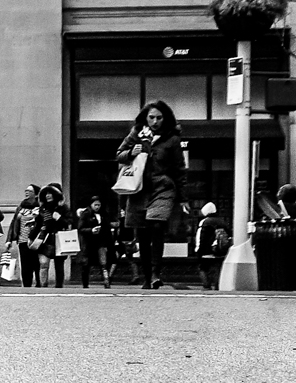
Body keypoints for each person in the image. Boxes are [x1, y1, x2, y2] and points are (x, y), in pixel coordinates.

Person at [114, 100, 187, 289]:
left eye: (159, 118)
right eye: (152, 117)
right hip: (139, 189)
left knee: (156, 225)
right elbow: (119, 154)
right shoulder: (136, 133)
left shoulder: (172, 139)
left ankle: (155, 272)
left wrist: (183, 198)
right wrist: (131, 151)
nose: (155, 121)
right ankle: (147, 276)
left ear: (166, 118)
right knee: (142, 233)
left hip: (163, 187)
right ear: (145, 118)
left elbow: (179, 169)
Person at [34, 182, 74, 287]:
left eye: (50, 193)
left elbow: (70, 222)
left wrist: (59, 218)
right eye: (46, 193)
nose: (48, 195)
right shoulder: (43, 209)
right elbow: (38, 225)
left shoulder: (64, 208)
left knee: (59, 265)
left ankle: (59, 287)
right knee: (43, 264)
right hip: (45, 239)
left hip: (59, 239)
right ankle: (43, 285)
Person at [192, 196, 230, 290]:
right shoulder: (222, 221)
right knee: (217, 269)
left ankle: (207, 286)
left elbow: (201, 238)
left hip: (206, 251)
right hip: (220, 251)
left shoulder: (204, 222)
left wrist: (199, 251)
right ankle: (217, 286)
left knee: (203, 268)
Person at [75, 195, 110, 289]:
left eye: (99, 205)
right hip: (88, 242)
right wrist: (91, 230)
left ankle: (106, 282)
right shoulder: (86, 214)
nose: (97, 207)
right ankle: (85, 284)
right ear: (91, 205)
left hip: (100, 242)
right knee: (86, 264)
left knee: (104, 263)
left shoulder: (103, 214)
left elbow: (107, 228)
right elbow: (81, 228)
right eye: (95, 205)